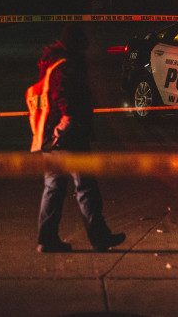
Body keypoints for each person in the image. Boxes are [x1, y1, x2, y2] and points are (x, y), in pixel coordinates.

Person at [35, 23, 125, 253]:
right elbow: (66, 100)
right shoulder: (67, 67)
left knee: (53, 189)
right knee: (86, 188)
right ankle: (99, 237)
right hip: (69, 139)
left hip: (51, 139)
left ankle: (46, 239)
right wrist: (65, 126)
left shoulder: (52, 63)